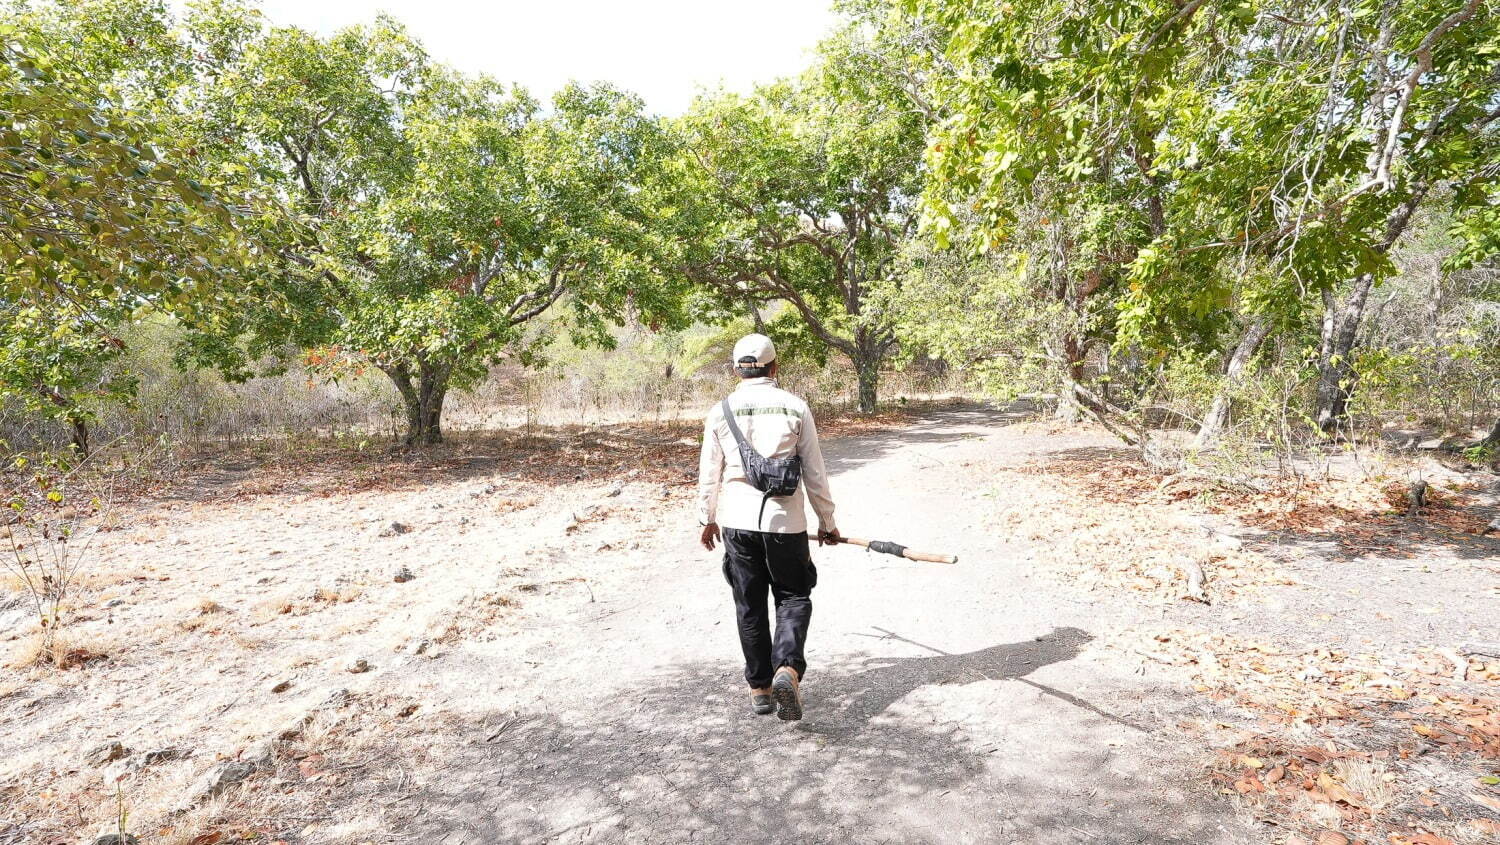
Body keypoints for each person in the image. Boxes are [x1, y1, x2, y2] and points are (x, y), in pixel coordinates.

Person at [697, 333, 839, 721]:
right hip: (786, 523)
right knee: (793, 596)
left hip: (738, 524)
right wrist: (828, 523)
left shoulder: (720, 411)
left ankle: (760, 688)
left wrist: (707, 519)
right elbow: (814, 472)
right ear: (775, 367)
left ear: (736, 370)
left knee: (750, 603)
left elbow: (710, 473)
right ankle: (787, 669)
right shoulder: (794, 407)